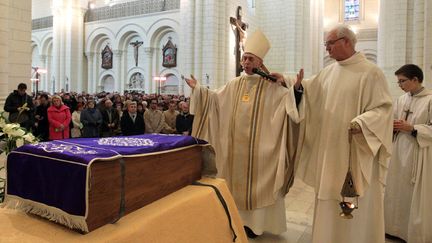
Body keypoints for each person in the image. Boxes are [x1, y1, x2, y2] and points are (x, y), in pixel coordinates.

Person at [272, 24, 393, 243]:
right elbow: (308, 90)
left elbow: (384, 109)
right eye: (325, 44)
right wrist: (289, 83)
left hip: (356, 150)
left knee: (356, 203)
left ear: (346, 42)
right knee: (329, 198)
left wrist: (363, 122)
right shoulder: (328, 72)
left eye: (330, 43)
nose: (327, 49)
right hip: (330, 152)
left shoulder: (371, 72)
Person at [184, 30, 301, 238]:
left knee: (258, 186)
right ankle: (235, 219)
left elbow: (289, 103)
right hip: (235, 151)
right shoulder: (234, 84)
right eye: (244, 58)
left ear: (260, 62)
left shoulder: (271, 85)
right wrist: (199, 90)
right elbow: (215, 100)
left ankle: (255, 225)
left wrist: (291, 85)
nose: (246, 62)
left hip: (260, 153)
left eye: (250, 59)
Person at [384, 64, 432, 243]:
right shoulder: (402, 99)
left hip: (419, 153)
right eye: (398, 82)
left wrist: (411, 128)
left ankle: (412, 232)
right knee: (396, 188)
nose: (400, 85)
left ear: (415, 79)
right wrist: (393, 126)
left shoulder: (430, 100)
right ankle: (392, 228)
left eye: (403, 81)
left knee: (413, 193)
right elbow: (393, 120)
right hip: (399, 150)